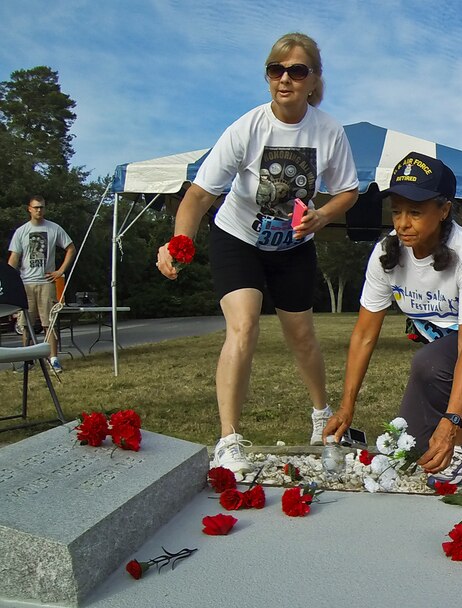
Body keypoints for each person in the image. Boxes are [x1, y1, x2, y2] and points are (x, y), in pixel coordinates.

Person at [156, 32, 359, 475]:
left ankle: (321, 417)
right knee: (243, 325)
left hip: (294, 247)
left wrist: (323, 216)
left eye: (297, 71)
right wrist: (178, 242)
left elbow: (347, 191)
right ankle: (228, 439)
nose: (285, 79)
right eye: (276, 70)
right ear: (268, 77)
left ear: (313, 81)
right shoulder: (246, 128)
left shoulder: (329, 132)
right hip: (238, 239)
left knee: (301, 335)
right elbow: (197, 197)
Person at [323, 152, 462, 486]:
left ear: (444, 210)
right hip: (444, 344)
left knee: (430, 364)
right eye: (397, 210)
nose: (402, 222)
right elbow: (364, 336)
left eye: (415, 212)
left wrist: (451, 421)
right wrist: (346, 406)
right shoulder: (387, 253)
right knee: (413, 444)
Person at [7, 195, 75, 373]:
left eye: (42, 207)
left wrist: (60, 271)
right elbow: (14, 258)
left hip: (46, 282)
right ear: (29, 209)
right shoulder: (21, 231)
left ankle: (53, 359)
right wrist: (8, 279)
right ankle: (27, 360)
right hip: (26, 283)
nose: (39, 210)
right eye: (36, 207)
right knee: (26, 324)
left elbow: (70, 248)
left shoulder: (54, 228)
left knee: (49, 323)